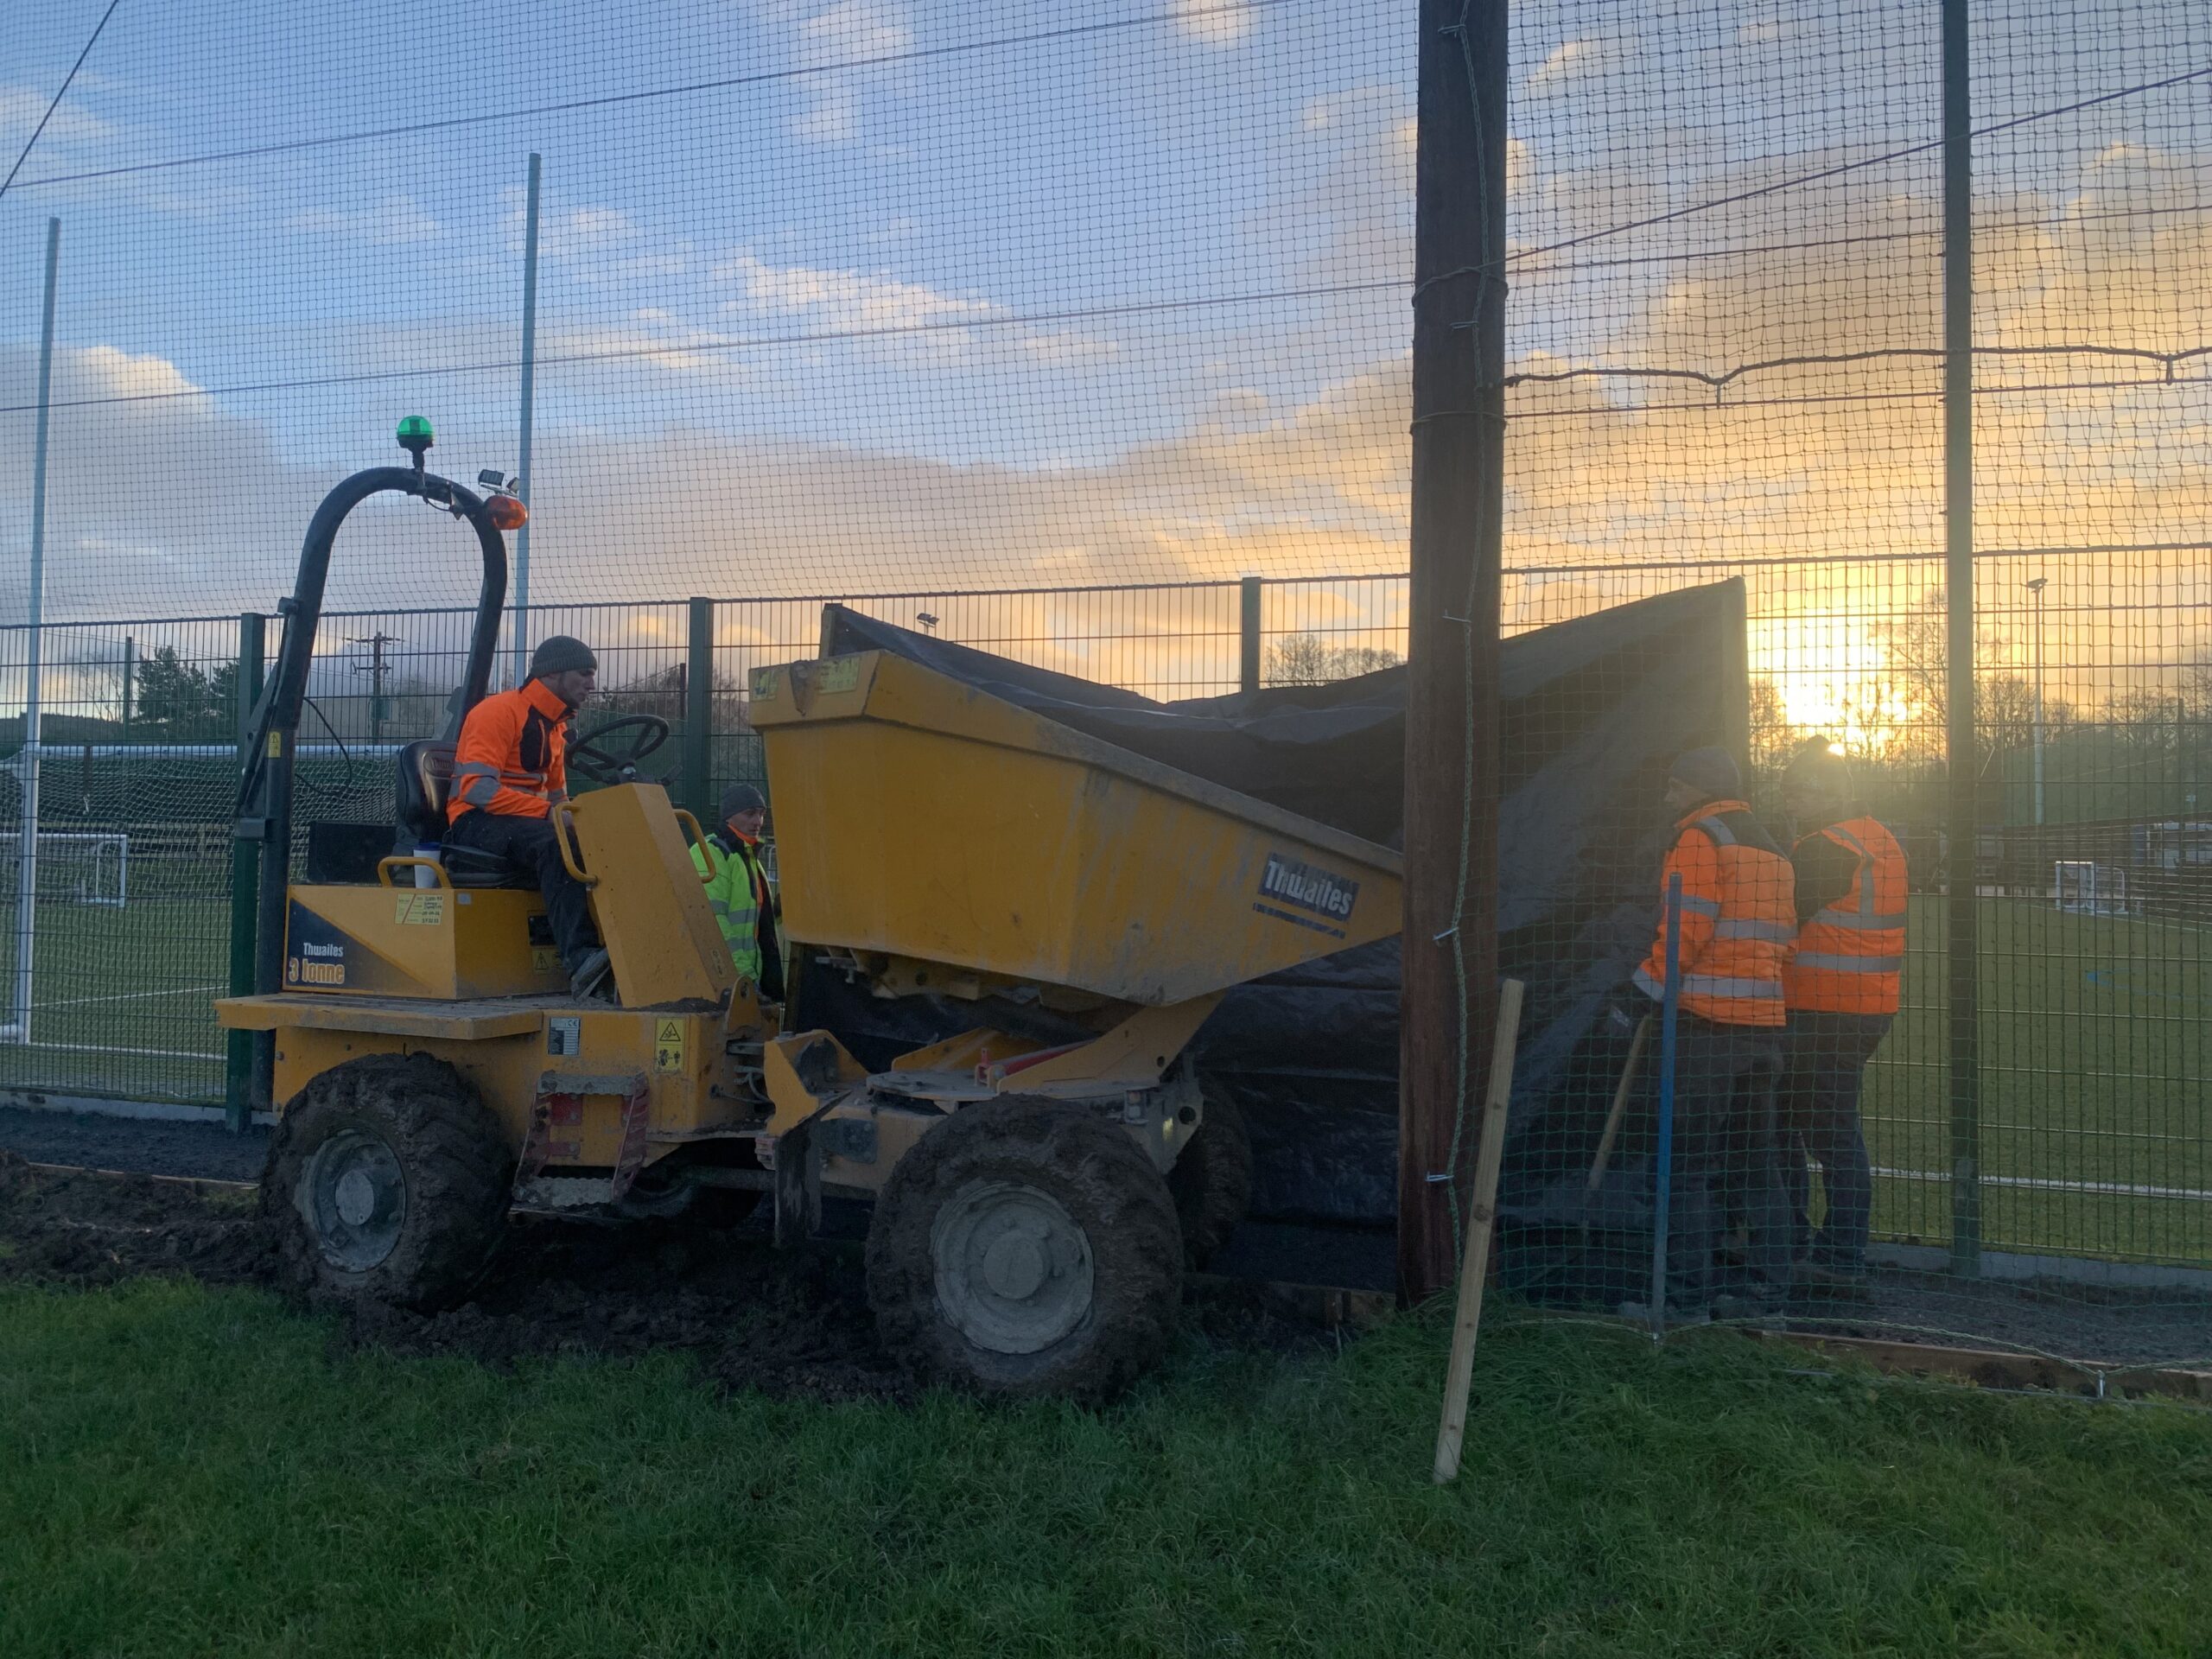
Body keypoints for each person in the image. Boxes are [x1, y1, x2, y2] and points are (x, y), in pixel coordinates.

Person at [1626, 745, 1797, 1316]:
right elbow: (1784, 943)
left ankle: (1683, 1303)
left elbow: (1685, 930)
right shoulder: (1773, 849)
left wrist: (1642, 992)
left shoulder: (1701, 838)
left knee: (1687, 1168)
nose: (1668, 797)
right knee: (1757, 1164)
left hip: (1706, 1029)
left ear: (1701, 788)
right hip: (1764, 1030)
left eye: (1676, 786)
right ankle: (1768, 1295)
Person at [1780, 742, 1908, 1286]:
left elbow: (1781, 917)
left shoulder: (1826, 847)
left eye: (1799, 792)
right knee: (1820, 1124)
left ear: (1828, 795)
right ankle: (1815, 1247)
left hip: (1823, 1009)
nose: (1790, 802)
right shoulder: (1877, 838)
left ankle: (1830, 1255)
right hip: (1863, 1007)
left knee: (1815, 1129)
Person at [443, 635, 609, 994]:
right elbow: (478, 790)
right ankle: (581, 958)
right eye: (584, 673)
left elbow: (557, 795)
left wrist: (580, 819)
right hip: (474, 821)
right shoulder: (498, 712)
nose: (591, 684)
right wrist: (549, 814)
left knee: (598, 838)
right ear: (552, 674)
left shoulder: (555, 728)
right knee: (556, 845)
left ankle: (618, 943)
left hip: (524, 823)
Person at [692, 783, 784, 1001]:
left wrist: (779, 911)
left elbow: (753, 920)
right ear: (729, 816)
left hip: (743, 977)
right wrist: (744, 976)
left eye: (761, 814)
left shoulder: (746, 855)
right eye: (750, 814)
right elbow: (713, 921)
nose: (758, 821)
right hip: (725, 980)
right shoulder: (713, 853)